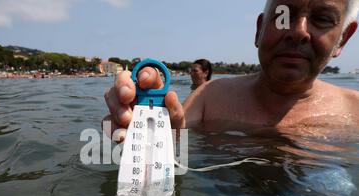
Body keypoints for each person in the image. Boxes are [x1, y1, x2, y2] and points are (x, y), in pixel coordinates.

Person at [103, 0, 359, 141]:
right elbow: (174, 140)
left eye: (322, 19)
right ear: (259, 30)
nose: (298, 31)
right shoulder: (210, 97)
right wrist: (141, 128)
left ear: (343, 40)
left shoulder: (356, 111)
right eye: (282, 16)